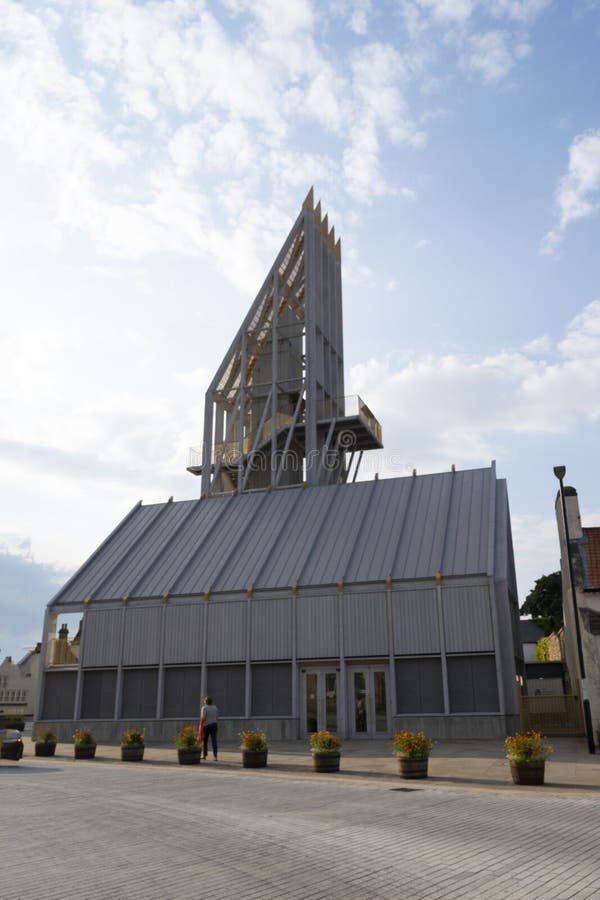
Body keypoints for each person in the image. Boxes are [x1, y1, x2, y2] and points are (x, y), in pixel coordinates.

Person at [200, 696, 219, 760]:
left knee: (205, 741)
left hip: (206, 726)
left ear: (205, 702)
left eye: (204, 701)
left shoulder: (204, 708)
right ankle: (215, 757)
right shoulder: (215, 707)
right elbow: (217, 717)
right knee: (214, 740)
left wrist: (201, 724)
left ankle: (204, 755)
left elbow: (203, 717)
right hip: (214, 725)